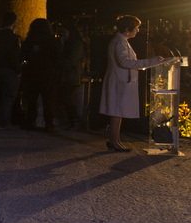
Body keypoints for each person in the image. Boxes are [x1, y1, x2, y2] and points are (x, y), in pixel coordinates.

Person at [100, 15, 165, 152]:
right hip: (120, 82)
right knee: (117, 112)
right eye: (136, 28)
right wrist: (150, 62)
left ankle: (115, 140)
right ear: (127, 29)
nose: (137, 30)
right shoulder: (120, 42)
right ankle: (114, 141)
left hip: (121, 81)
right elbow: (124, 62)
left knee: (118, 112)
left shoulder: (121, 41)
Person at [20, 18, 61, 131]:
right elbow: (57, 57)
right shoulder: (51, 40)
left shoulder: (29, 41)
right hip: (48, 73)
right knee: (48, 98)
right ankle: (49, 122)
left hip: (32, 73)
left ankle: (31, 121)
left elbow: (23, 56)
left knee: (32, 99)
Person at [0, 11, 22, 130]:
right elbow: (12, 56)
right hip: (8, 70)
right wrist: (18, 70)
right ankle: (3, 122)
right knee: (8, 96)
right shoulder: (11, 37)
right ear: (14, 22)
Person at [59, 25, 85, 129]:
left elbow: (70, 61)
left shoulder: (76, 45)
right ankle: (74, 120)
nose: (62, 35)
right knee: (65, 98)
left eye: (64, 32)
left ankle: (75, 120)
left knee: (65, 98)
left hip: (71, 76)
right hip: (68, 75)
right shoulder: (70, 44)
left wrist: (61, 47)